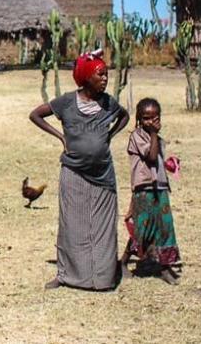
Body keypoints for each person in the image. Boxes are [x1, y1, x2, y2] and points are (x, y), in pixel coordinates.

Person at [29, 49, 130, 290]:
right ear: (85, 78)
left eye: (106, 75)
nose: (105, 79)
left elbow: (124, 117)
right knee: (71, 225)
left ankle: (103, 277)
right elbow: (36, 115)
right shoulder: (66, 102)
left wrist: (110, 136)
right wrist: (61, 137)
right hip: (73, 172)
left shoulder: (108, 103)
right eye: (100, 75)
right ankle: (66, 275)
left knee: (103, 226)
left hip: (103, 174)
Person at [124, 97, 181, 284]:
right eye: (146, 118)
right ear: (139, 118)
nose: (150, 121)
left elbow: (156, 162)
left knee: (165, 226)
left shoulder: (158, 139)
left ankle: (165, 267)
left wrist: (168, 165)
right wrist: (154, 135)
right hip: (144, 190)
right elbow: (150, 156)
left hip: (160, 189)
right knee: (142, 229)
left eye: (154, 117)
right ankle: (123, 263)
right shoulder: (137, 137)